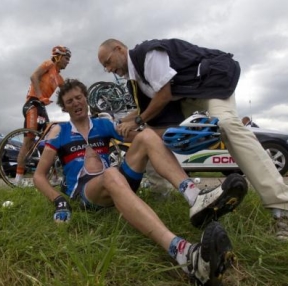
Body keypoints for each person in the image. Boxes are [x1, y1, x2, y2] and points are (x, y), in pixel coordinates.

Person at [33, 79, 247, 285]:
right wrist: (59, 201)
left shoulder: (103, 124)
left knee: (147, 137)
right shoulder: (59, 131)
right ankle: (184, 254)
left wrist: (181, 131)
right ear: (64, 107)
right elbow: (39, 176)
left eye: (79, 97)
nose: (76, 103)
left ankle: (195, 196)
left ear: (86, 99)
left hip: (115, 182)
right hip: (86, 191)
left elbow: (147, 136)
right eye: (69, 101)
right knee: (111, 175)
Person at [98, 38, 288, 240]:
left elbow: (162, 96)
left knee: (225, 124)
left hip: (212, 83)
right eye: (104, 67)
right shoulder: (135, 81)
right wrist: (121, 123)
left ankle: (281, 206)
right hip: (186, 98)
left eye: (107, 62)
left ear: (119, 49)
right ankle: (160, 194)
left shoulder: (147, 54)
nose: (108, 69)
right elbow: (146, 110)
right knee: (150, 137)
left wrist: (136, 120)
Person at [14, 46, 71, 186]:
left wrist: (69, 106)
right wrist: (40, 96)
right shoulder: (48, 64)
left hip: (41, 107)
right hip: (33, 103)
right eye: (66, 58)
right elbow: (34, 76)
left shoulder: (59, 77)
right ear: (58, 56)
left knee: (50, 141)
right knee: (28, 141)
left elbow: (66, 93)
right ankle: (18, 179)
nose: (68, 62)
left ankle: (55, 176)